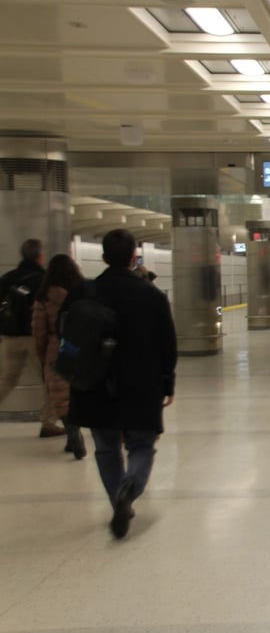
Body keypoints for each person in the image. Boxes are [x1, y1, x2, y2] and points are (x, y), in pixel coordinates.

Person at [64, 229, 177, 539]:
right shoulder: (151, 295)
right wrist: (168, 383)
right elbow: (167, 344)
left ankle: (118, 499)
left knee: (105, 448)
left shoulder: (84, 293)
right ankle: (130, 487)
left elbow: (67, 337)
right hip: (141, 384)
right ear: (133, 258)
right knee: (142, 445)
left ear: (102, 257)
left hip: (94, 384)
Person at [0, 238, 63, 438]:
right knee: (49, 379)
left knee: (7, 379)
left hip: (9, 338)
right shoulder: (43, 279)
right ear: (40, 256)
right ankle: (48, 422)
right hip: (33, 338)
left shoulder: (8, 278)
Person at [32, 254, 87, 459]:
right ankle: (73, 437)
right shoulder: (82, 290)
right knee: (78, 392)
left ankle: (73, 434)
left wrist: (42, 355)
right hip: (82, 346)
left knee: (60, 396)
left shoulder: (44, 296)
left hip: (57, 346)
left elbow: (39, 331)